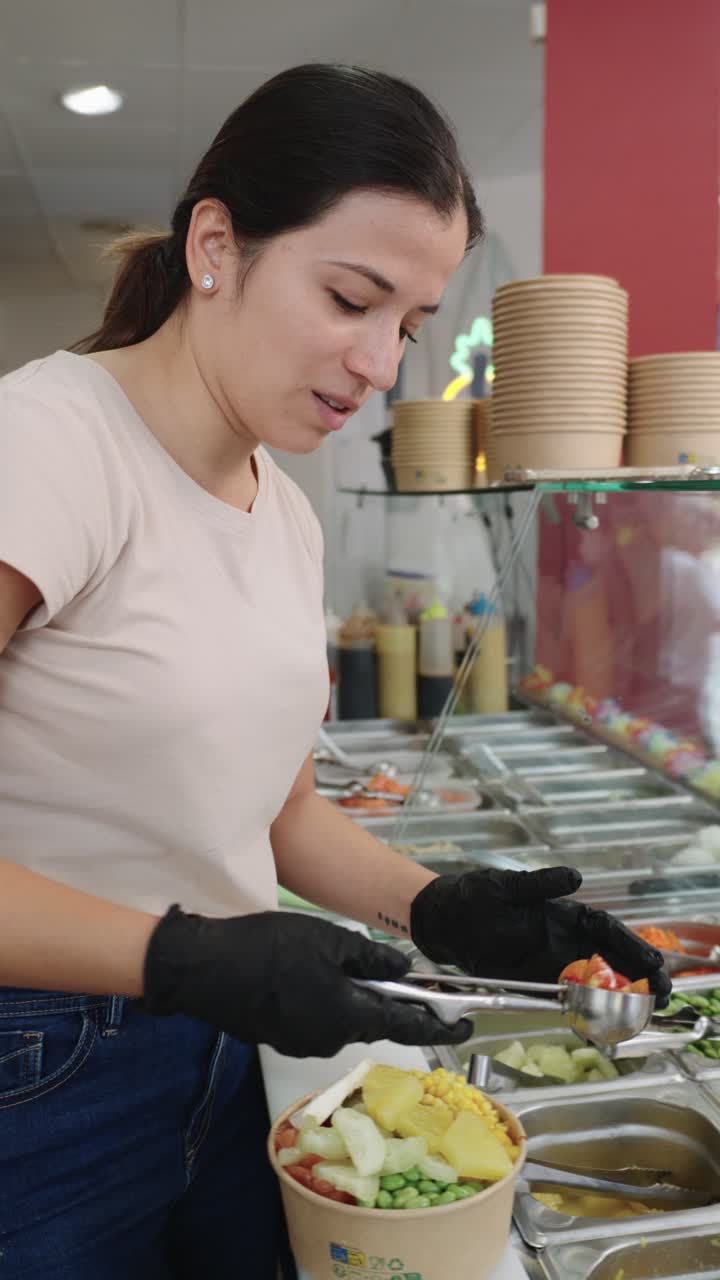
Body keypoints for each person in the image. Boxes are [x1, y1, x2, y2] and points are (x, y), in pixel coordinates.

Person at [0, 63, 668, 1280]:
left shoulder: (281, 507)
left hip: (224, 1048)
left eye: (407, 324)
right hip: (42, 1073)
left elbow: (281, 811)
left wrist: (440, 903)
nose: (379, 365)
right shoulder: (48, 445)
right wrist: (180, 953)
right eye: (351, 297)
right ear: (218, 243)